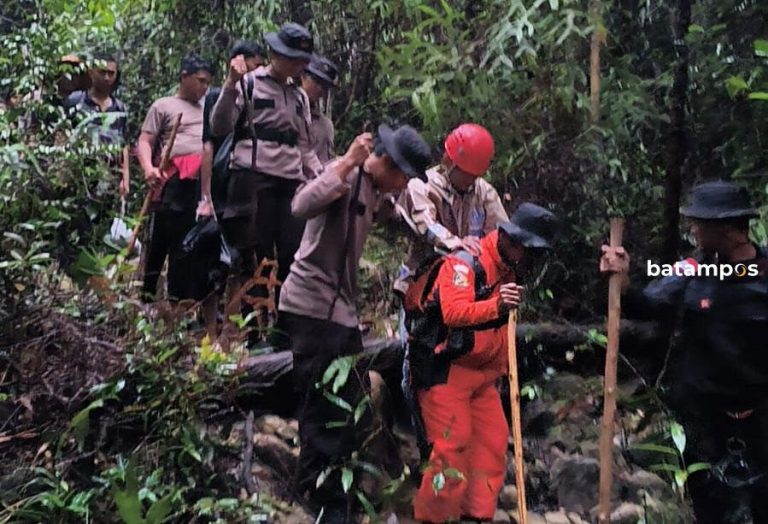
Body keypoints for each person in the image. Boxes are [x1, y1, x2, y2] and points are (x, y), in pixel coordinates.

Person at [278, 124, 432, 522]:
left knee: (349, 402)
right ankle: (319, 500)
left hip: (339, 313)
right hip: (311, 307)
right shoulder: (345, 176)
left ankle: (334, 492)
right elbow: (300, 205)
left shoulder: (376, 191)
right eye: (402, 177)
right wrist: (347, 161)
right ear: (389, 163)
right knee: (322, 405)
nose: (402, 185)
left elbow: (397, 219)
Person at [600, 180, 768, 523]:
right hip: (704, 415)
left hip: (761, 415)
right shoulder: (692, 270)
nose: (693, 230)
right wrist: (623, 278)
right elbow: (646, 304)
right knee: (708, 502)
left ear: (728, 229)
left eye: (700, 224)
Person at [407, 203, 557, 523]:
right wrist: (495, 306)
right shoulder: (465, 263)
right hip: (446, 372)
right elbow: (454, 312)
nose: (532, 261)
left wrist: (501, 370)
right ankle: (433, 519)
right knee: (451, 448)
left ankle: (476, 516)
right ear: (512, 241)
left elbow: (500, 331)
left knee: (492, 442)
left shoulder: (510, 270)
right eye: (530, 252)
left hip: (483, 376)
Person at [210, 22, 323, 317]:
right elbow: (219, 126)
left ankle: (284, 325)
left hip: (290, 182)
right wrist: (230, 84)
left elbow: (305, 147)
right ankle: (253, 330)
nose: (298, 66)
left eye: (302, 61)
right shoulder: (249, 83)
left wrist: (322, 177)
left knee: (291, 254)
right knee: (254, 257)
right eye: (293, 58)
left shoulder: (299, 97)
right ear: (275, 53)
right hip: (252, 178)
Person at [137, 55, 213, 302]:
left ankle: (180, 302)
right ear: (184, 77)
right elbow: (145, 141)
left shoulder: (208, 108)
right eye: (200, 81)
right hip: (174, 181)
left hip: (201, 185)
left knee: (189, 245)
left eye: (207, 83)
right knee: (162, 239)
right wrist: (149, 168)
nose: (204, 87)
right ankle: (147, 296)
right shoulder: (164, 106)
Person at [65, 51, 130, 198]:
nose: (107, 77)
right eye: (102, 72)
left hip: (109, 176)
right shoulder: (76, 101)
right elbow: (63, 134)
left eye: (111, 73)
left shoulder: (120, 108)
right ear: (92, 72)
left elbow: (123, 144)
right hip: (80, 174)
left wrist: (125, 177)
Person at [301, 54, 339, 163]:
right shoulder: (287, 110)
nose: (320, 89)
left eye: (325, 86)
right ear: (303, 76)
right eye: (317, 81)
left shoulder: (325, 125)